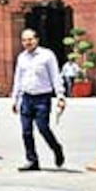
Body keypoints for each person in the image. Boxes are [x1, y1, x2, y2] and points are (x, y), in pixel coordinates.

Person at [9, 28, 66, 172]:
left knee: (43, 128)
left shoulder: (47, 55)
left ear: (36, 40)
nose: (27, 43)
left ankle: (56, 148)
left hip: (42, 98)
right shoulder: (21, 57)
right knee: (26, 131)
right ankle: (32, 160)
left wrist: (60, 95)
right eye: (24, 40)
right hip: (27, 98)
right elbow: (18, 79)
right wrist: (14, 99)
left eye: (30, 39)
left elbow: (55, 76)